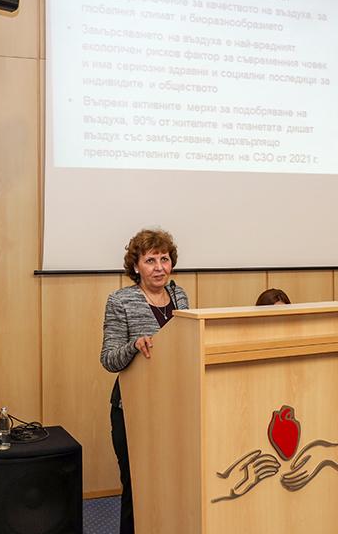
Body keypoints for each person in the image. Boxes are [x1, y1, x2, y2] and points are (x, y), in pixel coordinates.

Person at [100, 228, 189, 534]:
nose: (159, 267)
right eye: (150, 260)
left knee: (174, 485)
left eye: (164, 259)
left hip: (174, 407)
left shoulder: (179, 296)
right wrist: (134, 345)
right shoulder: (120, 301)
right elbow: (108, 359)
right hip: (133, 410)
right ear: (136, 266)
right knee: (138, 488)